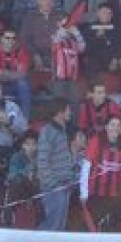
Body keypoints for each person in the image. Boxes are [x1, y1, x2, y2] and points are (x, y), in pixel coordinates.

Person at [79, 115, 121, 232]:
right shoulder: (96, 141)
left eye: (118, 126)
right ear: (106, 127)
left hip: (114, 192)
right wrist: (83, 192)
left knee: (114, 222)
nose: (115, 128)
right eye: (112, 125)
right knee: (91, 223)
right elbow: (86, 167)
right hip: (95, 191)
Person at [37, 99, 74, 231]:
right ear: (60, 112)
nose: (70, 113)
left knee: (60, 224)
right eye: (68, 110)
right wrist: (52, 184)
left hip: (64, 184)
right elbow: (42, 161)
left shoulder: (63, 131)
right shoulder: (47, 132)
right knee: (53, 223)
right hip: (54, 187)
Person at [0, 29, 32, 120]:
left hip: (15, 85)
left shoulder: (22, 52)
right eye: (7, 38)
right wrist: (13, 74)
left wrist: (2, 73)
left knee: (24, 84)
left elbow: (23, 74)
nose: (11, 41)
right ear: (1, 39)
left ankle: (25, 120)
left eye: (13, 38)